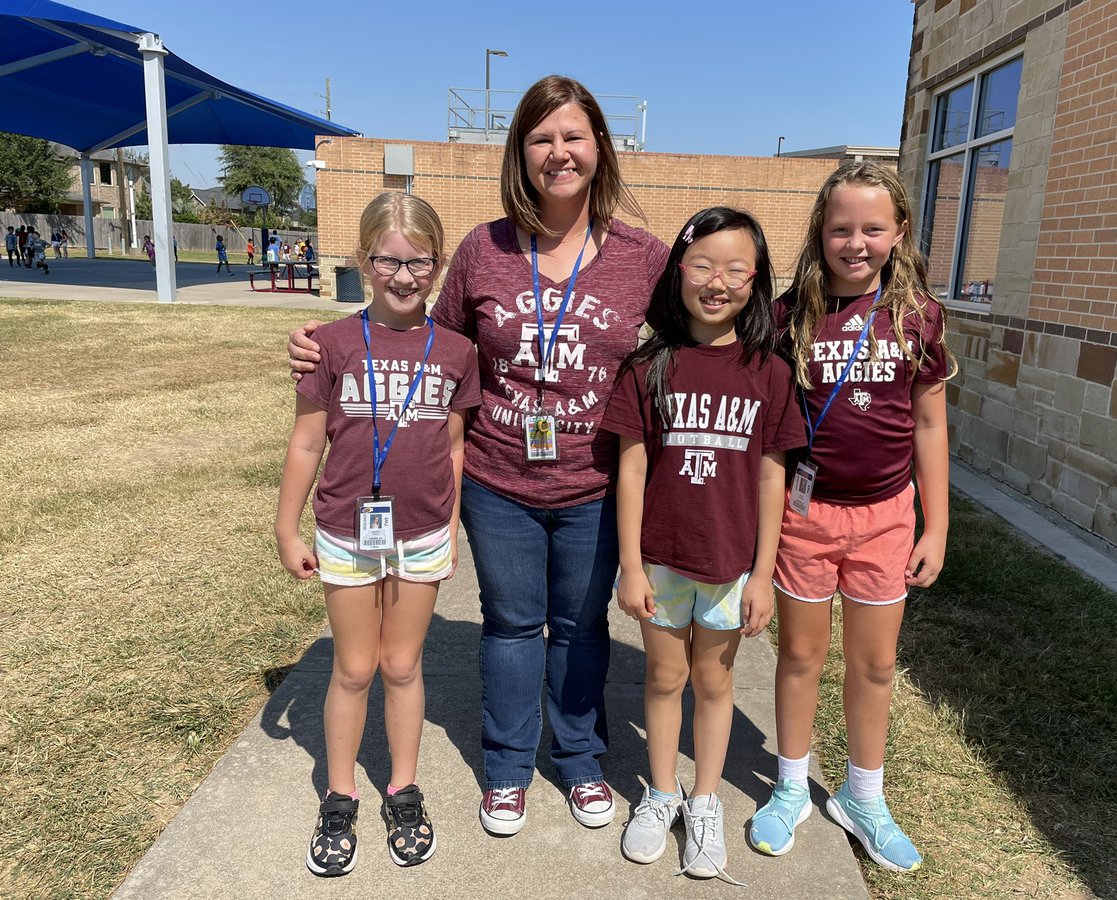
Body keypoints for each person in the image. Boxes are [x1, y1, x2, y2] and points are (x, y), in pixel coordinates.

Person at [289, 75, 670, 836]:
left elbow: (700, 325)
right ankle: (506, 768)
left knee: (582, 627)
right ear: (519, 153)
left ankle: (580, 759)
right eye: (540, 138)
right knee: (511, 624)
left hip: (596, 480)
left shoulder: (644, 256)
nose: (558, 152)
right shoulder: (483, 249)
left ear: (600, 146)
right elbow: (425, 336)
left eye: (573, 135)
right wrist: (322, 343)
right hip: (499, 478)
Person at [748, 161, 957, 873]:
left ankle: (863, 797)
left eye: (872, 228)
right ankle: (789, 787)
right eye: (841, 229)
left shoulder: (917, 316)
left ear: (899, 233)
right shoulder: (789, 317)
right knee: (800, 656)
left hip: (887, 517)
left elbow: (929, 423)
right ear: (820, 231)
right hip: (805, 517)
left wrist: (935, 525)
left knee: (874, 663)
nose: (856, 243)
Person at [275, 192, 481, 877]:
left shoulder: (457, 351)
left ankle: (403, 788)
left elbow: (454, 447)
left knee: (401, 665)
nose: (403, 275)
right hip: (345, 529)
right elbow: (307, 443)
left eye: (419, 262)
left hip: (422, 533)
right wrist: (285, 527)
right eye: (388, 260)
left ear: (438, 265)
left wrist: (450, 529)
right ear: (364, 260)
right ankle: (339, 794)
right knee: (355, 667)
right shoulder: (329, 345)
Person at [605, 207, 806, 881]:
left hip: (730, 566)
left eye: (735, 270)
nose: (716, 282)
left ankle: (705, 799)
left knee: (715, 682)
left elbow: (774, 479)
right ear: (678, 271)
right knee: (665, 678)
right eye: (702, 265)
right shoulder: (647, 367)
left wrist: (763, 574)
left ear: (756, 280)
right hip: (662, 561)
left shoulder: (769, 373)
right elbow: (631, 471)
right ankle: (662, 793)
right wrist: (630, 566)